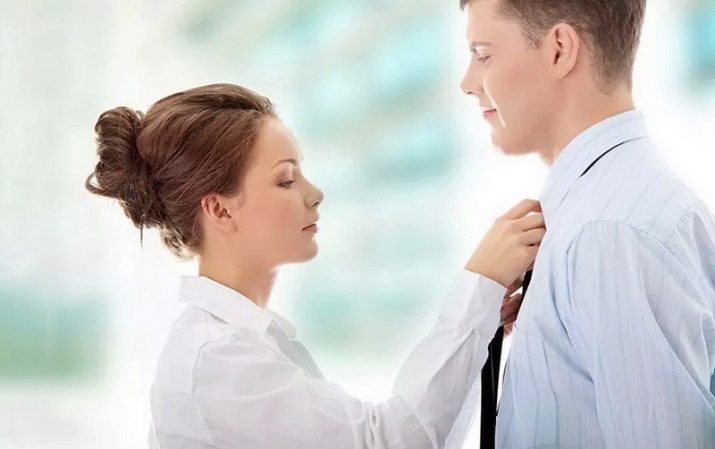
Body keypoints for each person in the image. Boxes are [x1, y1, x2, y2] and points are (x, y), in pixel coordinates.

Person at [84, 83, 546, 448]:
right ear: (221, 210)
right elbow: (388, 442)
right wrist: (479, 284)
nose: (314, 193)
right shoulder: (218, 360)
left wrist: (480, 322)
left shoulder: (242, 344)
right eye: (286, 180)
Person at [458, 0, 715, 447]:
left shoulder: (608, 232)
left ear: (559, 49)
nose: (467, 83)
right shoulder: (612, 207)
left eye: (483, 55)